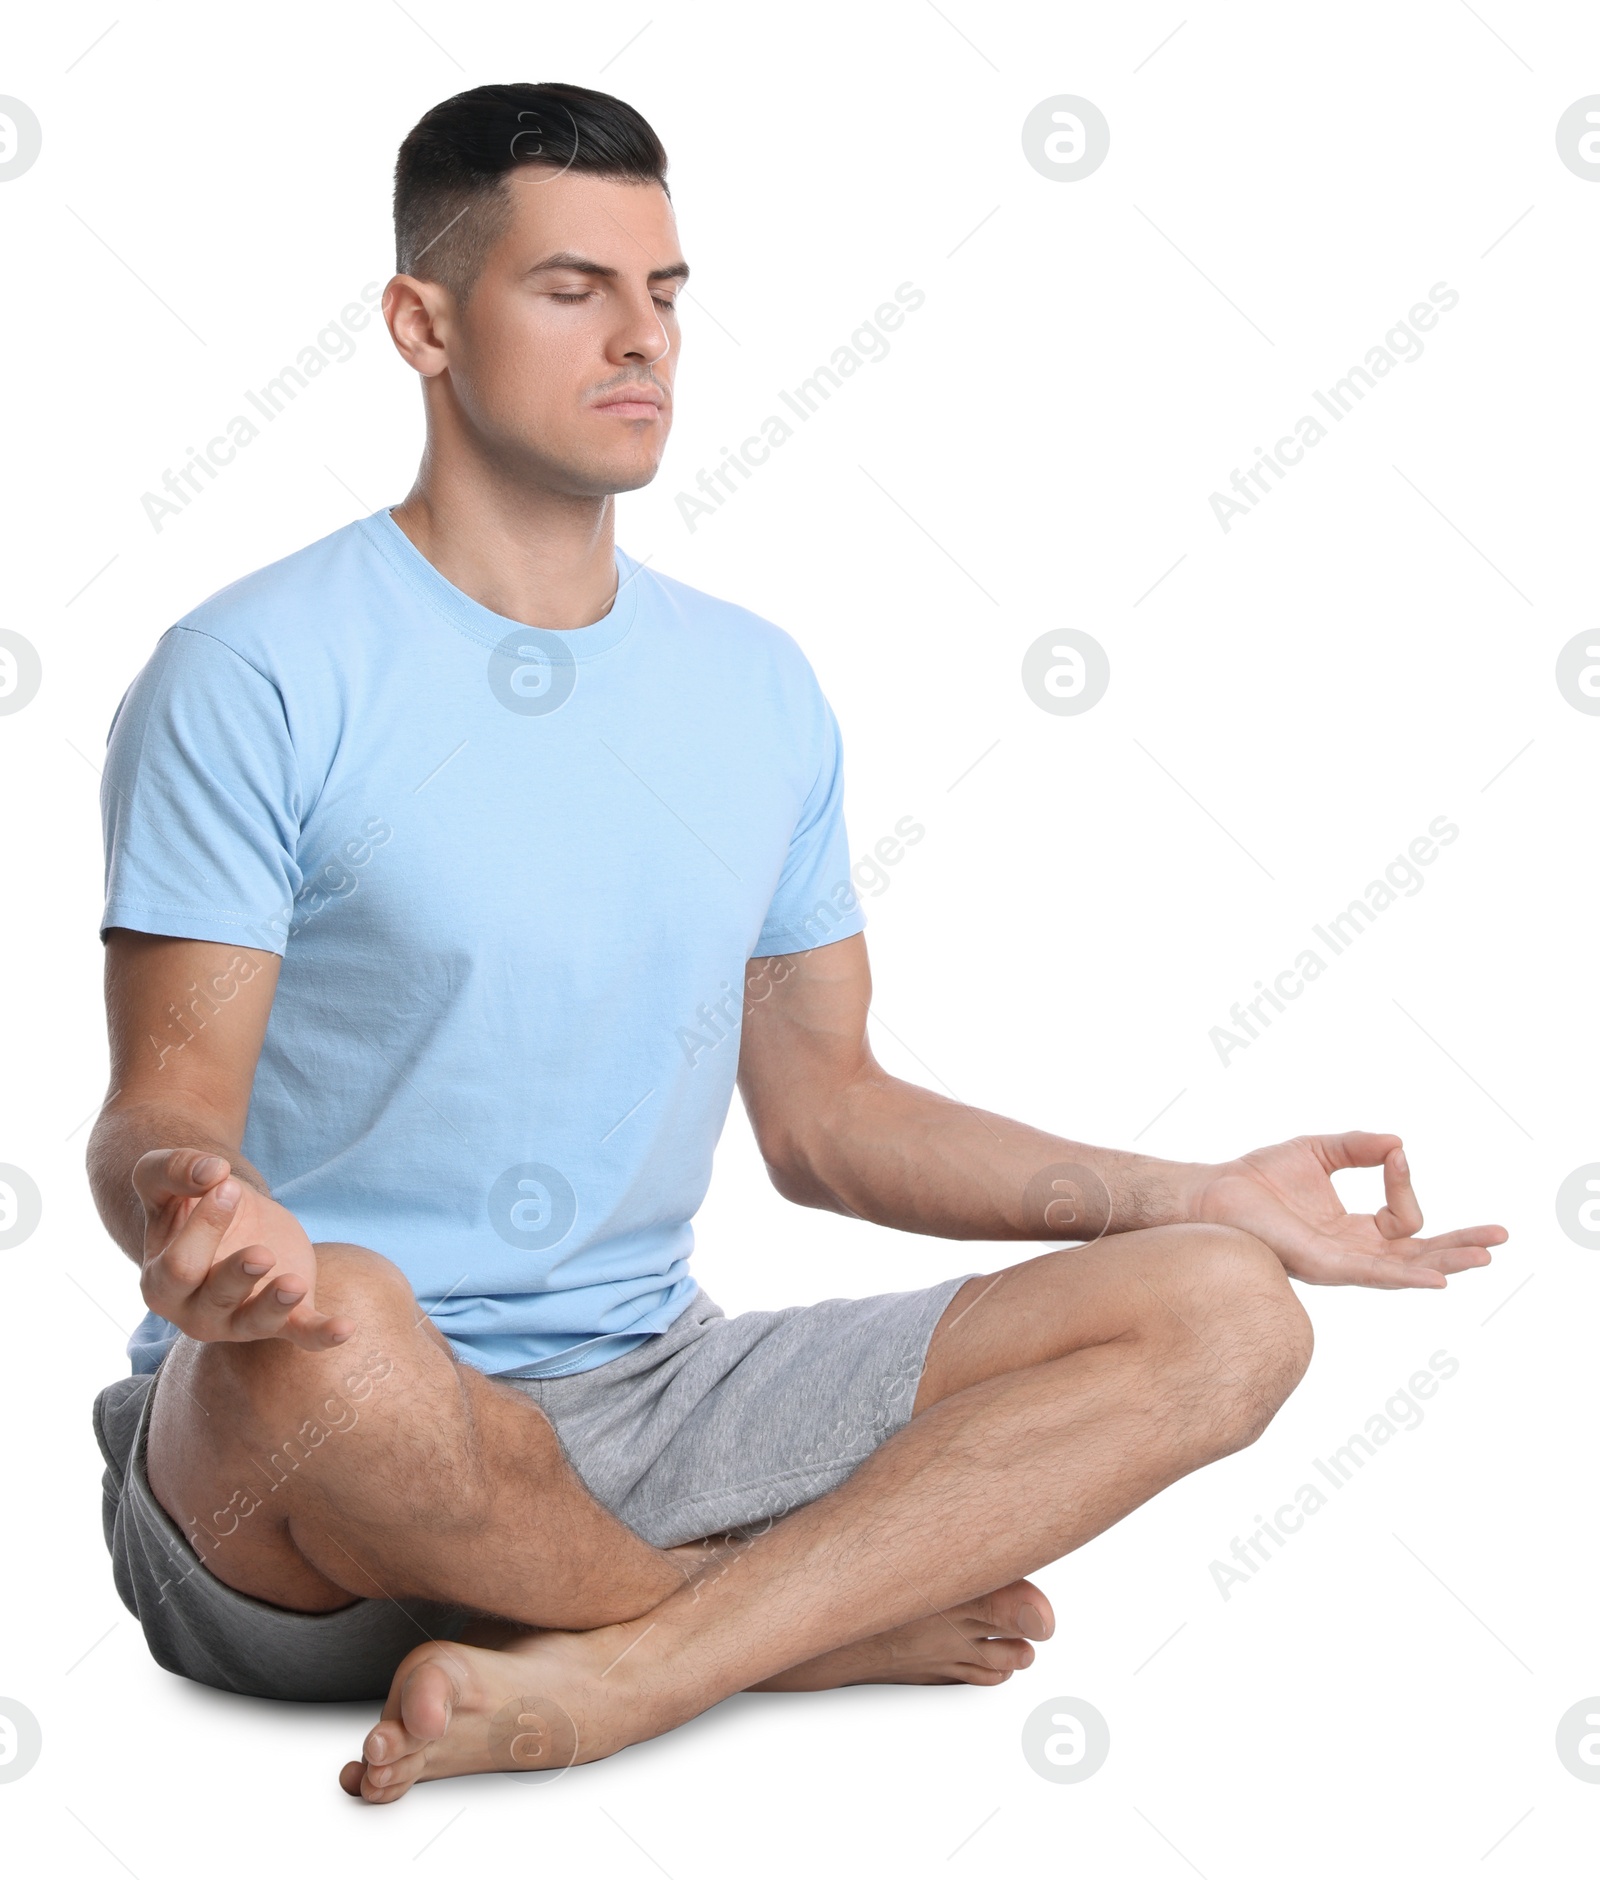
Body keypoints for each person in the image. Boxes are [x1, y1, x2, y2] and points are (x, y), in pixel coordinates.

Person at [87, 82, 1506, 1803]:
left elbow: (826, 1119)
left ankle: (628, 1668)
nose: (642, 340)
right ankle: (770, 1634)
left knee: (1230, 1315)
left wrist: (1198, 1192)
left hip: (647, 1395)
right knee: (357, 1332)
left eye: (666, 292)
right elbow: (161, 1112)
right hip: (301, 1452)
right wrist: (193, 1212)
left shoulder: (755, 689)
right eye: (571, 289)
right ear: (423, 323)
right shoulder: (254, 669)